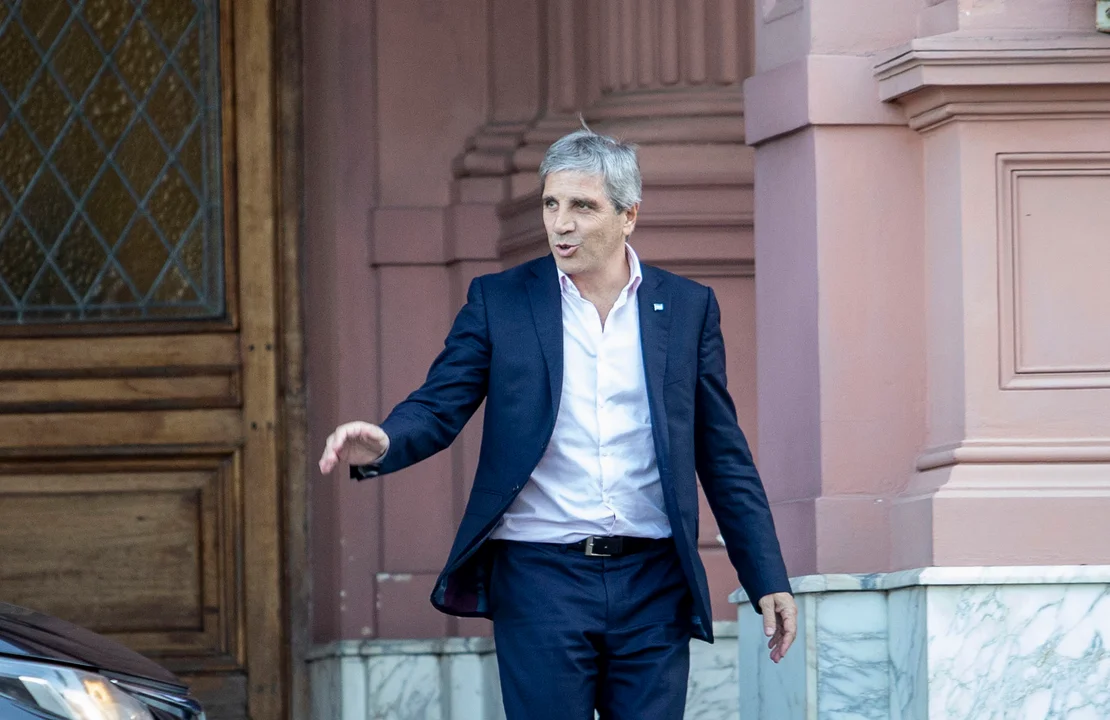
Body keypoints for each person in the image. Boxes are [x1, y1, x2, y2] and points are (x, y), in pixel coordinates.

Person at [319, 128, 797, 719]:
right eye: (551, 203)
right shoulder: (500, 301)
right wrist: (387, 441)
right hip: (539, 578)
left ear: (628, 216)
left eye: (582, 206)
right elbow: (439, 405)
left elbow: (721, 452)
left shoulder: (686, 307)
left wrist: (766, 576)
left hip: (654, 581)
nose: (560, 224)